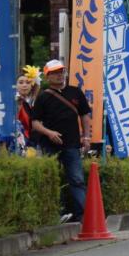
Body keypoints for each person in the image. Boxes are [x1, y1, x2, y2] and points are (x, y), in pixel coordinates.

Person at [30, 59, 91, 222]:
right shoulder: (43, 96)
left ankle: (84, 216)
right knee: (52, 180)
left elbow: (85, 115)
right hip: (49, 145)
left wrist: (86, 137)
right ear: (48, 77)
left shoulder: (76, 92)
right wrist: (49, 133)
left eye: (61, 71)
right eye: (55, 73)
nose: (59, 75)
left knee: (77, 179)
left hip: (72, 144)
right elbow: (34, 122)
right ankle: (55, 214)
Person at [16, 66, 40, 153]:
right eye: (21, 82)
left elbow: (37, 88)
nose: (24, 85)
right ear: (16, 85)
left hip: (32, 139)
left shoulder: (31, 101)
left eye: (28, 82)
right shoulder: (14, 99)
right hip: (18, 137)